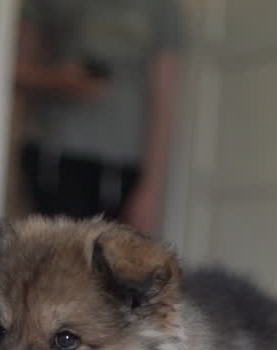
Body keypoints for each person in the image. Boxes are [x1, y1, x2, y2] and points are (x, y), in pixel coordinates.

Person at [12, 0, 182, 236]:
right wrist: (59, 80)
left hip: (124, 164)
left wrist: (151, 189)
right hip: (55, 153)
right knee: (56, 260)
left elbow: (164, 98)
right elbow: (12, 69)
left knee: (112, 265)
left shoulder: (162, 7)